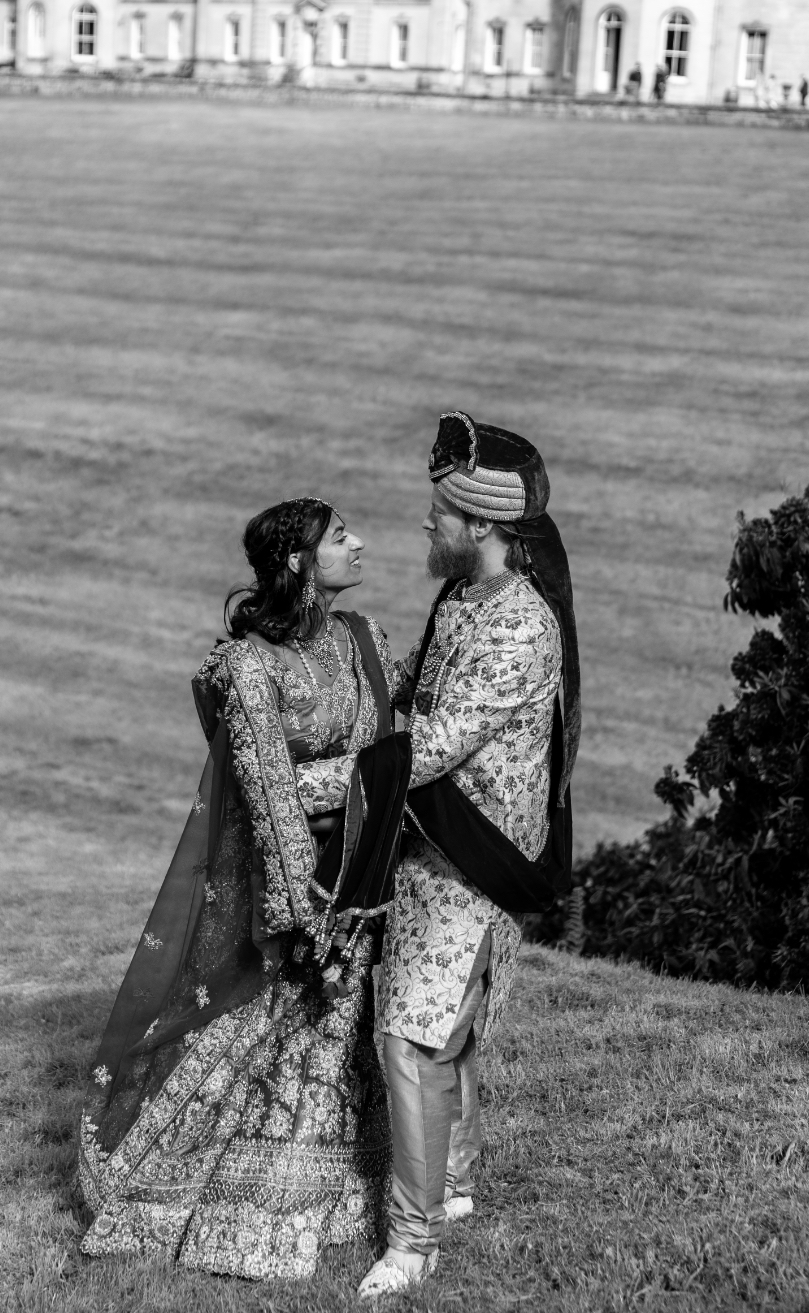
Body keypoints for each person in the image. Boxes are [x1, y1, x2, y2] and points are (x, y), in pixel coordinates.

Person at [78, 497, 402, 1279]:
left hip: (366, 870)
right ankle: (238, 1204)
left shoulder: (364, 638)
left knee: (341, 1040)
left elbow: (397, 747)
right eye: (339, 538)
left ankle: (351, 1187)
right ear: (297, 561)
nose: (358, 544)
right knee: (268, 1035)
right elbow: (266, 793)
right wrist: (305, 914)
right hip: (296, 881)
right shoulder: (249, 668)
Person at [296, 414, 580, 1298]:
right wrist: (317, 647)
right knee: (440, 1027)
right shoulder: (460, 596)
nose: (426, 522)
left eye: (440, 514)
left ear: (482, 524)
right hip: (429, 850)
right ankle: (453, 1183)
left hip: (475, 862)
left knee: (410, 1037)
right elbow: (406, 682)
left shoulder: (519, 627)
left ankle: (411, 1244)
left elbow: (429, 745)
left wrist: (293, 784)